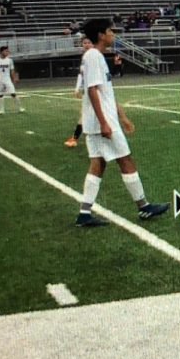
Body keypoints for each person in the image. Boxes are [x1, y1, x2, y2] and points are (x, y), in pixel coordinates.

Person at [73, 18, 168, 226]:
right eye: (109, 31)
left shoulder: (94, 56)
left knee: (98, 164)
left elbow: (105, 92)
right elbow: (92, 91)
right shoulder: (94, 56)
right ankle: (143, 206)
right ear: (100, 34)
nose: (112, 34)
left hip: (100, 121)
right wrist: (104, 122)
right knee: (126, 159)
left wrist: (122, 116)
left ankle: (84, 213)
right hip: (103, 122)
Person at [65, 37, 94, 148]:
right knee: (85, 114)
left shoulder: (95, 57)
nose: (86, 44)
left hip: (94, 91)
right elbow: (81, 75)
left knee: (87, 114)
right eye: (84, 43)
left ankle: (75, 138)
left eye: (89, 42)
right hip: (87, 91)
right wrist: (77, 88)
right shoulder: (84, 58)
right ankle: (75, 138)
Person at [0, 46, 24, 115]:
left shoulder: (9, 60)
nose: (7, 52)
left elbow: (12, 70)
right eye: (6, 51)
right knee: (0, 95)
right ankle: (1, 110)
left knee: (13, 93)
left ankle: (20, 108)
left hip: (7, 80)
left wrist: (14, 78)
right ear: (1, 52)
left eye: (8, 51)